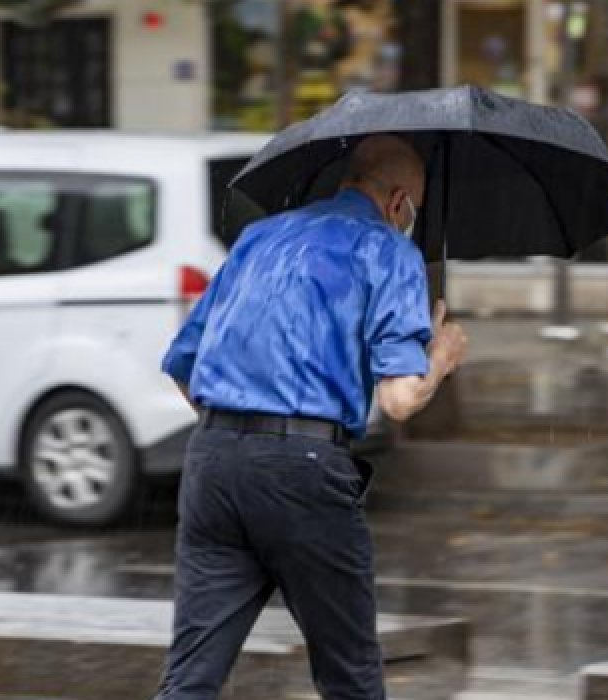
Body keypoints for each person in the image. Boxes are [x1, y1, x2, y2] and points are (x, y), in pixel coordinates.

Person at [156, 134, 468, 700]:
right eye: (413, 212)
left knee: (190, 680)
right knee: (350, 677)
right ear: (400, 202)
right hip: (303, 467)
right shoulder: (388, 251)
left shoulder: (258, 238)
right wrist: (439, 359)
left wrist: (243, 418)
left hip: (213, 458)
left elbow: (182, 364)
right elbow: (399, 400)